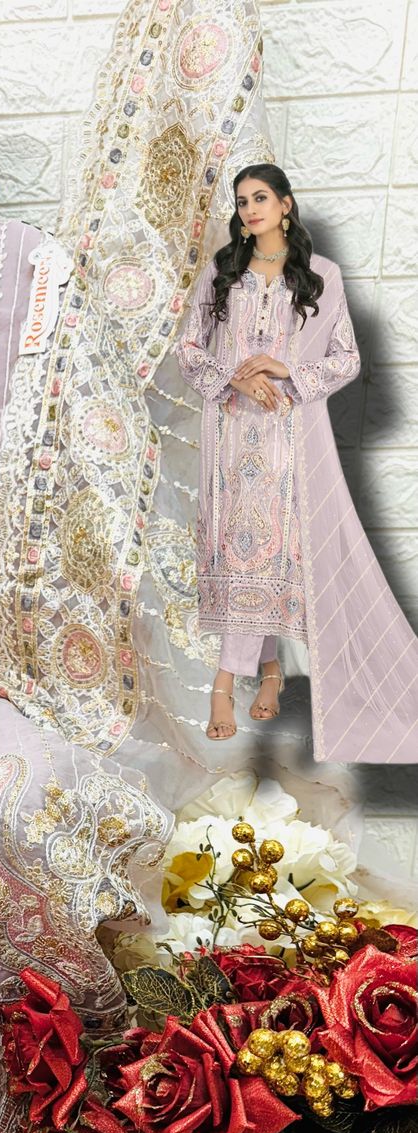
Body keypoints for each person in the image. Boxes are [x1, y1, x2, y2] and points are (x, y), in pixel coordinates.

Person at [176, 162, 418, 761]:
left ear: (285, 204)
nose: (250, 209)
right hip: (231, 433)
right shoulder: (222, 273)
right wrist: (234, 378)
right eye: (242, 201)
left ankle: (224, 685)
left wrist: (286, 371)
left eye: (261, 197)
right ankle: (270, 671)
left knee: (270, 553)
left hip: (288, 439)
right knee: (237, 552)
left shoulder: (320, 276)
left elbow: (346, 359)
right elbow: (188, 350)